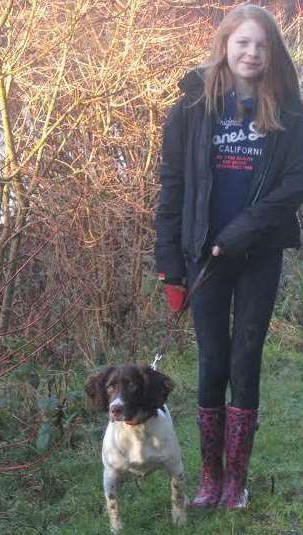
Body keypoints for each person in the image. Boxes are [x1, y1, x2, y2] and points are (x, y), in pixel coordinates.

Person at [155, 4, 303, 510]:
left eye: (261, 44)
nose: (252, 52)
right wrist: (170, 263)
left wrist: (241, 231)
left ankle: (236, 482)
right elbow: (171, 187)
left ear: (272, 52)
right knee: (212, 361)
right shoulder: (192, 107)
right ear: (225, 45)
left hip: (259, 253)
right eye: (243, 43)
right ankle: (209, 479)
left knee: (246, 359)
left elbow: (293, 187)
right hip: (204, 255)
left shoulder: (289, 109)